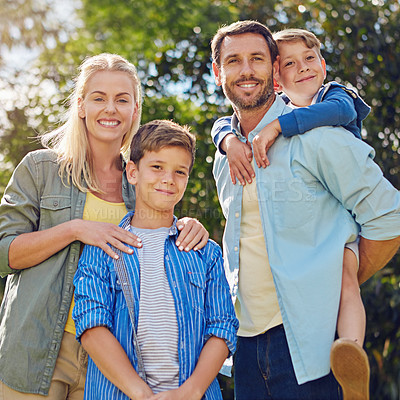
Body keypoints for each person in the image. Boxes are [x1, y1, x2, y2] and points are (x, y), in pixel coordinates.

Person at [0, 54, 209, 399]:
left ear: (134, 109)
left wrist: (188, 225)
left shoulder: (139, 179)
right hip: (36, 351)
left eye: (122, 100)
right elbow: (4, 253)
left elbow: (160, 236)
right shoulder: (40, 169)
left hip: (112, 359)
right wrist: (75, 229)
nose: (110, 109)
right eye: (99, 98)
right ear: (81, 105)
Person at [210, 20, 400, 400]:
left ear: (274, 69)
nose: (246, 70)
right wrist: (226, 139)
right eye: (233, 61)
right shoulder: (224, 158)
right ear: (218, 73)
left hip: (311, 345)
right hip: (244, 348)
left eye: (257, 59)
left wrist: (336, 283)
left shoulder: (320, 137)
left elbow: (388, 217)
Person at [72, 119, 238, 400]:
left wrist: (191, 391)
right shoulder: (103, 248)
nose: (168, 179)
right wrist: (142, 395)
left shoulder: (205, 252)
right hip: (120, 394)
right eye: (157, 167)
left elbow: (222, 327)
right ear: (133, 172)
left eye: (180, 171)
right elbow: (91, 325)